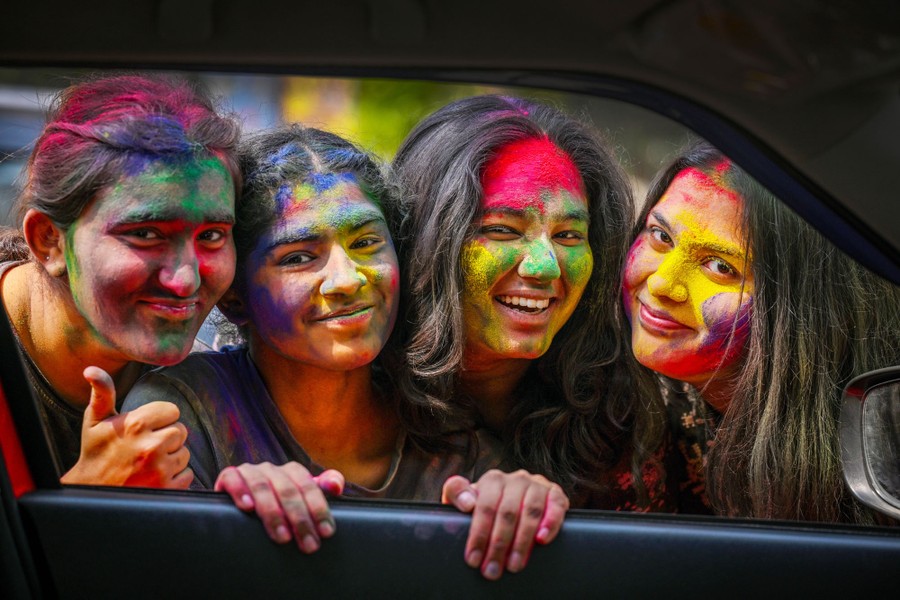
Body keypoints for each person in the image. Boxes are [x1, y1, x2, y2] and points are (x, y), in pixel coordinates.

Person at [122, 125, 568, 579]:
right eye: (298, 257)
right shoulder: (182, 414)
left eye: (366, 243)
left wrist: (523, 509)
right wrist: (232, 523)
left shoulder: (456, 447)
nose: (348, 279)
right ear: (234, 296)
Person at [391, 94, 669, 522]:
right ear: (429, 240)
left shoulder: (628, 407)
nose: (544, 266)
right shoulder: (358, 392)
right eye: (502, 230)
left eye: (569, 236)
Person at [623, 140, 900, 523]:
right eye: (661, 237)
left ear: (801, 308)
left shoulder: (879, 432)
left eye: (720, 266)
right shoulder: (606, 389)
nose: (662, 284)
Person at [0, 74, 241, 487]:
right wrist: (90, 492)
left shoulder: (207, 380)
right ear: (49, 241)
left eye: (212, 235)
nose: (184, 281)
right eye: (146, 234)